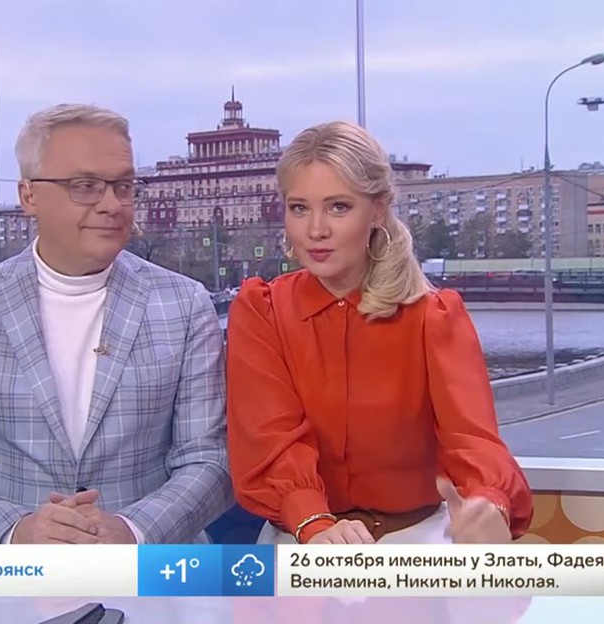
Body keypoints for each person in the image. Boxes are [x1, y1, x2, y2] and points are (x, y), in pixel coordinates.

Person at [0, 103, 232, 545]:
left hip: (157, 570)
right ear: (29, 196)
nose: (112, 205)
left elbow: (210, 461)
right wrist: (15, 532)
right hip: (19, 577)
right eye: (85, 186)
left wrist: (133, 530)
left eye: (124, 186)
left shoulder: (185, 304)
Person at [226, 120, 533, 545]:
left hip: (418, 543)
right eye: (299, 208)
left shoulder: (433, 317)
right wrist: (314, 525)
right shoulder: (262, 312)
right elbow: (268, 437)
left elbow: (472, 439)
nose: (315, 229)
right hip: (301, 541)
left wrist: (489, 501)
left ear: (379, 210)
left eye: (338, 207)